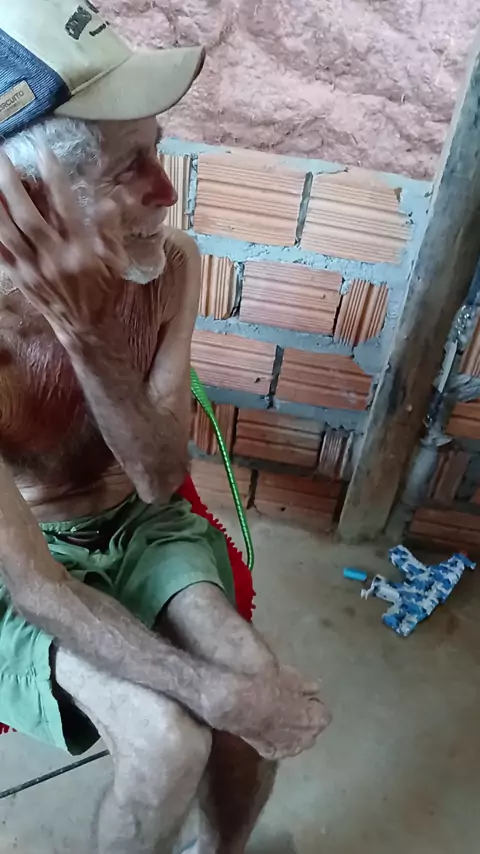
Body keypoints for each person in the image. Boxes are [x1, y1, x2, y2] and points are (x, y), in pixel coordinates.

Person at [0, 2, 330, 852]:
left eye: (158, 148)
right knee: (166, 741)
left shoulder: (171, 266)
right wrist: (210, 694)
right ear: (28, 205)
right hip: (22, 564)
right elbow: (36, 589)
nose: (167, 191)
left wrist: (85, 334)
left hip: (141, 523)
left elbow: (155, 479)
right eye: (128, 168)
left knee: (254, 688)